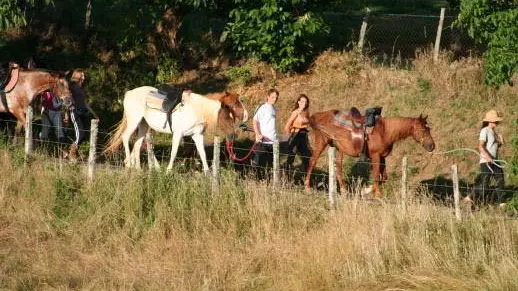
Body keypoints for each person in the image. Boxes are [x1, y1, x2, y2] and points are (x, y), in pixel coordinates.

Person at [65, 69, 99, 161]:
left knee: (83, 136)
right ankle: (71, 155)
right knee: (80, 134)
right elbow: (67, 99)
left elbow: (85, 103)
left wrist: (94, 115)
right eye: (81, 76)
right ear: (76, 76)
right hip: (75, 112)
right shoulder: (71, 86)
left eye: (84, 76)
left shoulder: (81, 88)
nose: (83, 78)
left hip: (83, 112)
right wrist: (66, 113)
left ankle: (69, 152)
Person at [473, 109, 505, 204]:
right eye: (495, 121)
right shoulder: (485, 130)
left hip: (495, 160)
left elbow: (494, 147)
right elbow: (480, 146)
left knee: (500, 180)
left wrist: (501, 141)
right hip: (486, 160)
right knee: (485, 182)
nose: (497, 123)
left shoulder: (494, 132)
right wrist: (487, 157)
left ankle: (502, 202)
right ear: (490, 121)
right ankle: (473, 198)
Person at [251, 88, 279, 177]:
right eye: (272, 97)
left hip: (272, 142)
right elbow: (255, 121)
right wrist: (258, 134)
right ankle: (254, 182)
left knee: (270, 165)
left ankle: (266, 183)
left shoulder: (273, 109)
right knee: (259, 165)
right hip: (263, 141)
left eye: (276, 97)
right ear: (268, 97)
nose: (274, 99)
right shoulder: (263, 107)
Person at [282, 94, 311, 173]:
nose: (304, 103)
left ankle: (307, 178)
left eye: (305, 101)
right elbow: (287, 125)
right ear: (298, 102)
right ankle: (285, 175)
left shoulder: (306, 112)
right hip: (295, 135)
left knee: (306, 157)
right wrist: (287, 139)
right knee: (291, 156)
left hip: (303, 135)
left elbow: (308, 124)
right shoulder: (295, 112)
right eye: (302, 101)